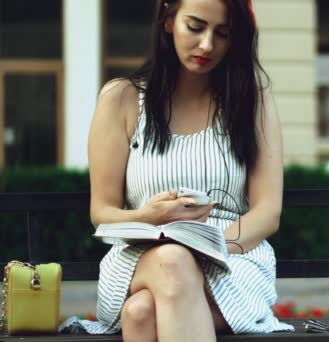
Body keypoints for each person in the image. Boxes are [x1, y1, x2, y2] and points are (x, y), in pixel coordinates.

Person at [59, 0, 294, 340]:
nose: (207, 45)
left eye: (223, 34)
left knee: (141, 313)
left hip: (234, 257)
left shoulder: (251, 98)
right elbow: (102, 213)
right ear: (168, 21)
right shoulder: (122, 98)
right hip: (139, 259)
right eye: (196, 27)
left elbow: (268, 212)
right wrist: (149, 216)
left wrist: (206, 248)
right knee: (171, 261)